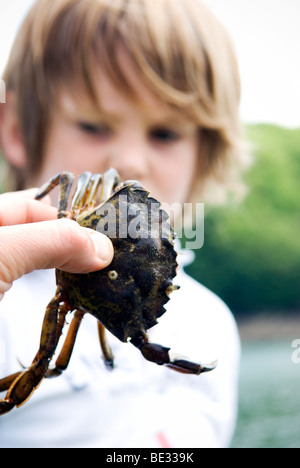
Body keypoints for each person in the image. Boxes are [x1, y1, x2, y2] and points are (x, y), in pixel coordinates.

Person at [0, 0, 247, 448]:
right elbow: (46, 364)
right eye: (94, 125)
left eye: (165, 133)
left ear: (205, 154)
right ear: (16, 129)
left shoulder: (214, 325)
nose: (130, 161)